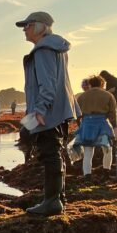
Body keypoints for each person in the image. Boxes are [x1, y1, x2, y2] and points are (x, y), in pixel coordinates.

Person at [16, 11, 77, 216]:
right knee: (55, 152)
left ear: (41, 26)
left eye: (28, 25)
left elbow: (47, 84)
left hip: (47, 111)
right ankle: (59, 197)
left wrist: (40, 110)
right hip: (61, 109)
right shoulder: (57, 48)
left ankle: (52, 201)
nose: (25, 29)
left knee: (49, 154)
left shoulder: (43, 50)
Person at [72, 75, 117, 179]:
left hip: (87, 124)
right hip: (102, 124)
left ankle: (87, 175)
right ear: (102, 84)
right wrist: (115, 129)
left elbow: (77, 115)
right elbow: (112, 114)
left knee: (88, 151)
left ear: (90, 84)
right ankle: (106, 173)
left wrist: (80, 126)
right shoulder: (108, 95)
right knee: (107, 149)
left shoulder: (82, 96)